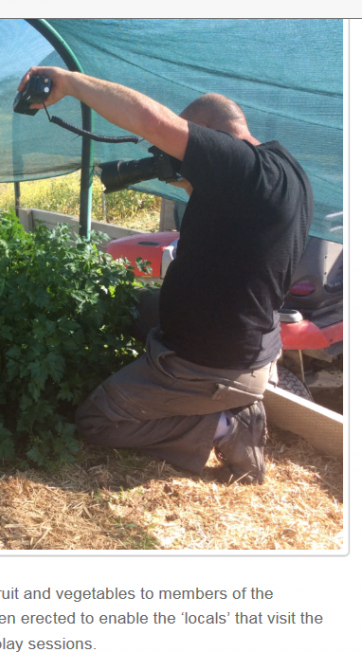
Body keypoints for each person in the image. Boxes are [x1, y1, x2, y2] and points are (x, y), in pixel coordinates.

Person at [17, 67, 313, 485]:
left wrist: (69, 83)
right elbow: (232, 238)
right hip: (247, 342)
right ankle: (226, 401)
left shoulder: (242, 170)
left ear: (212, 136)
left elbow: (151, 121)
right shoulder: (286, 172)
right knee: (130, 307)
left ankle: (225, 425)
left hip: (209, 362)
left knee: (96, 421)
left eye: (187, 150)